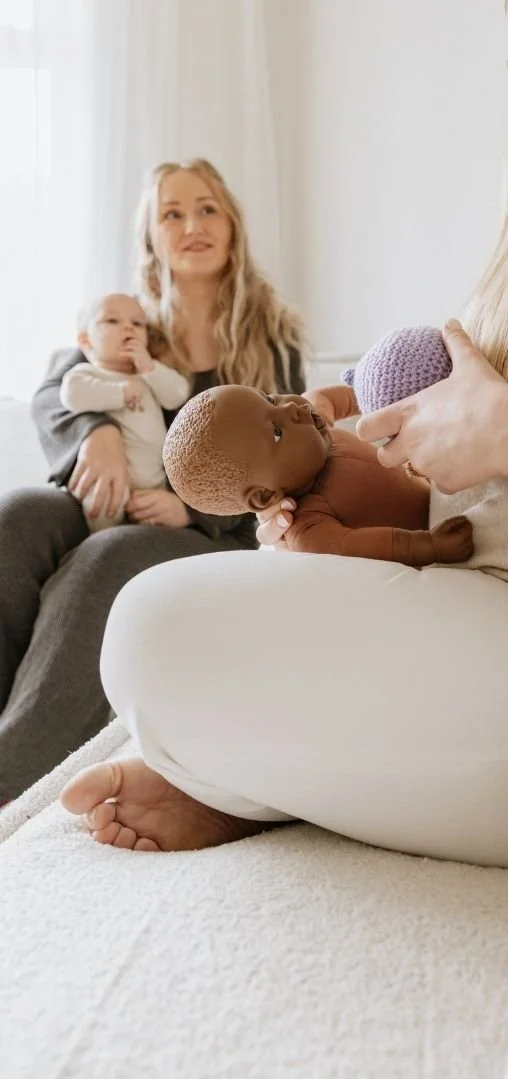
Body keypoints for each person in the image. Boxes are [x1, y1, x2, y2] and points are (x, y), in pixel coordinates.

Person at [61, 2, 508, 870]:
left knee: (150, 629)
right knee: (160, 616)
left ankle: (256, 779)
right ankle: (271, 777)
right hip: (494, 610)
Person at [0, 158, 306, 800]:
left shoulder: (270, 342)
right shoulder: (129, 322)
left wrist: (192, 510)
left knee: (107, 557)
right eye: (172, 213)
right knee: (18, 515)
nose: (192, 224)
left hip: (211, 530)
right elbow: (56, 386)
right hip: (106, 498)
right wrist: (97, 435)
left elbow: (290, 460)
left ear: (232, 225)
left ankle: (12, 778)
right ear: (152, 237)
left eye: (207, 209)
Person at [161, 383, 474, 565]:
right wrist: (428, 546)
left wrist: (376, 391)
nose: (291, 409)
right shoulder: (309, 526)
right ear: (265, 496)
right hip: (433, 529)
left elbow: (339, 398)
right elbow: (355, 546)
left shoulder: (314, 428)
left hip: (434, 481)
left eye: (269, 399)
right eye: (276, 432)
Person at [61, 293, 190, 530]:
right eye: (112, 321)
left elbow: (178, 395)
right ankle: (96, 539)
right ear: (85, 340)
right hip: (109, 482)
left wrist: (149, 367)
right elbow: (72, 396)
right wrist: (120, 393)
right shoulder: (86, 373)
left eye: (138, 323)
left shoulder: (148, 375)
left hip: (154, 483)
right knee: (102, 516)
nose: (128, 327)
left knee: (151, 526)